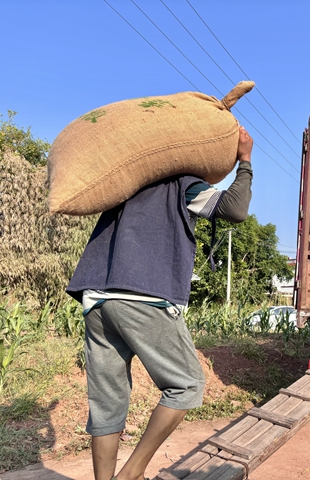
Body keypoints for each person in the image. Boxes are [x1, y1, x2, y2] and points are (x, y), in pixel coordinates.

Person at [66, 126, 254, 480]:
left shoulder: (123, 188)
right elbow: (235, 209)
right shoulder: (182, 186)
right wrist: (245, 161)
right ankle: (131, 474)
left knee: (107, 403)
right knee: (187, 384)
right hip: (142, 296)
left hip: (95, 299)